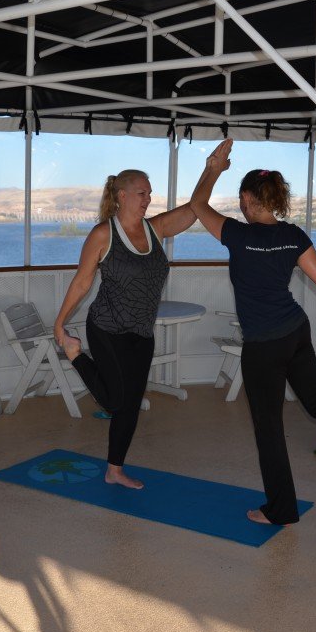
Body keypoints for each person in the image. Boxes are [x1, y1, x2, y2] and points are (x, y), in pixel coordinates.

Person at [189, 139, 316, 525]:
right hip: (295, 331)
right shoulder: (293, 236)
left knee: (268, 431)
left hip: (264, 347)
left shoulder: (237, 234)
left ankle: (281, 509)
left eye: (242, 200)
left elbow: (198, 204)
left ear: (249, 198)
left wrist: (213, 168)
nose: (241, 207)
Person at [53, 169, 197, 490]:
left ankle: (114, 470)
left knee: (130, 407)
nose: (148, 199)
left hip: (141, 333)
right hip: (106, 327)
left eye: (149, 193)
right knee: (115, 401)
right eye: (142, 193)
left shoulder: (155, 229)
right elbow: (82, 281)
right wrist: (60, 322)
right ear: (122, 195)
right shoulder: (104, 234)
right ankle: (77, 355)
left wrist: (211, 172)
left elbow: (194, 208)